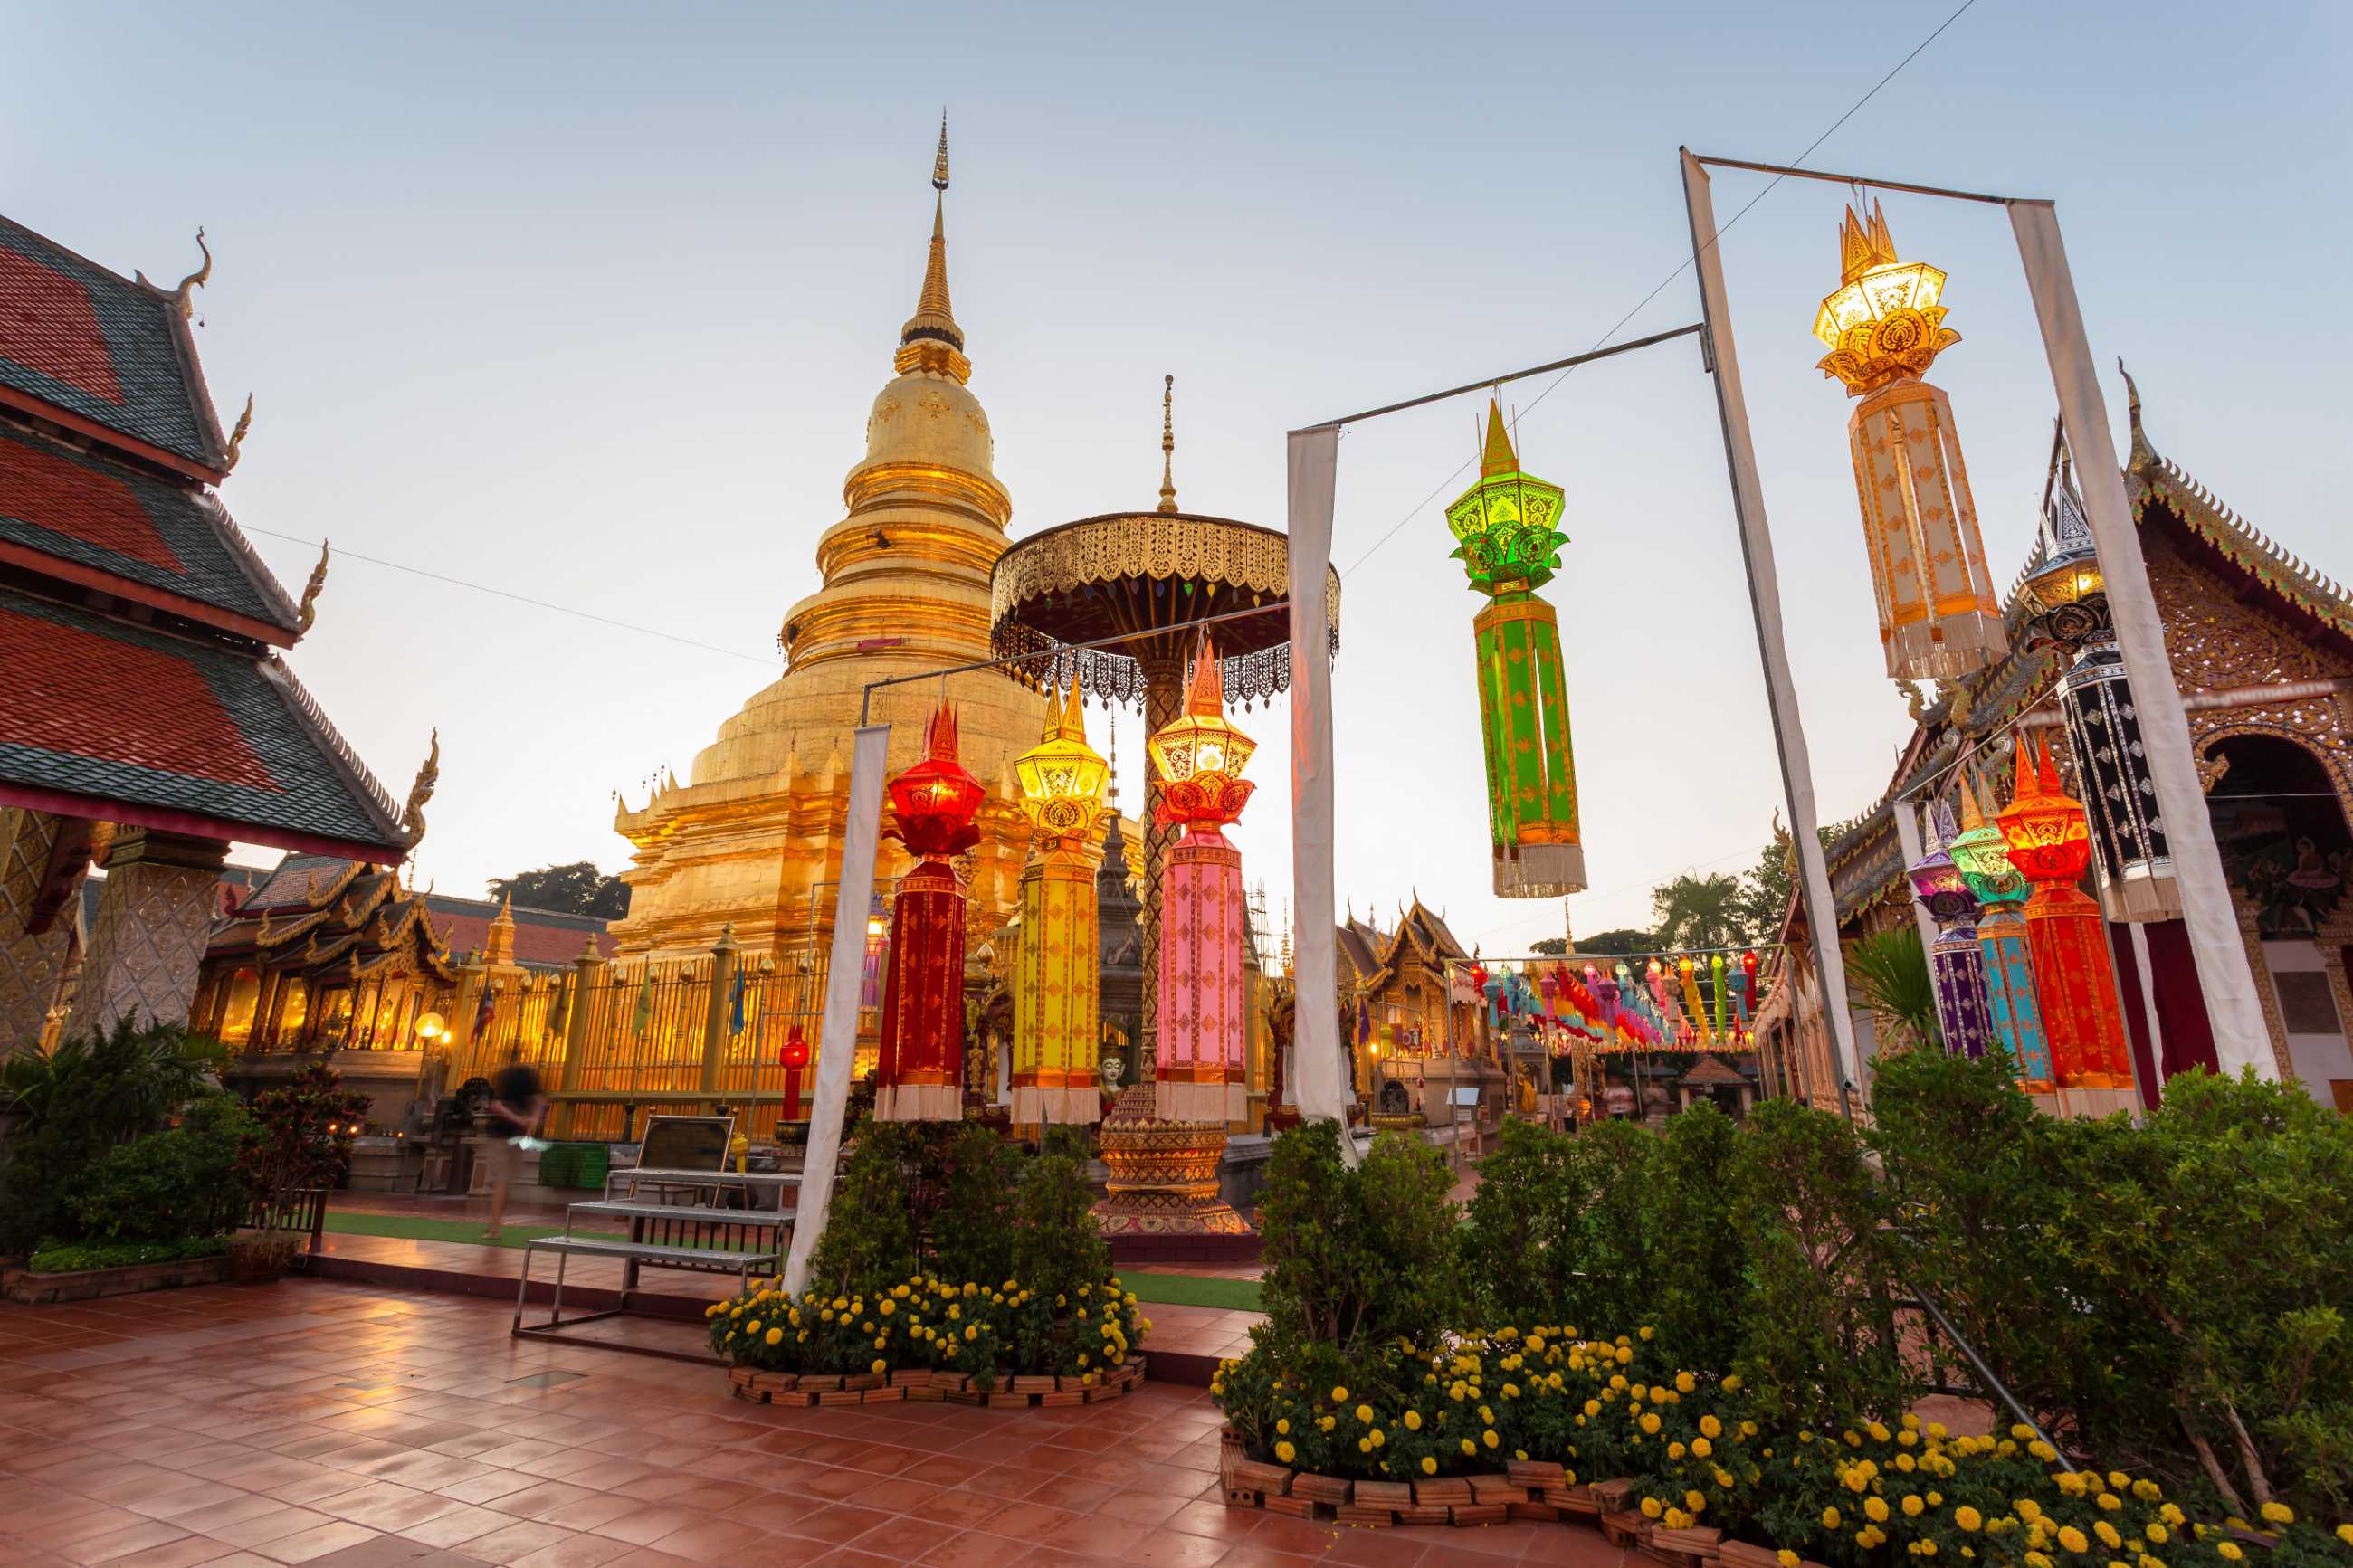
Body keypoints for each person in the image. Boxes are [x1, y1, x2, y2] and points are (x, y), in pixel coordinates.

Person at [484, 1054, 546, 1241]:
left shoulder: (502, 1075)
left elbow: (496, 1105)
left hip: (500, 1134)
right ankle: (496, 1222)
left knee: (500, 1182)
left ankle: (495, 1227)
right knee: (506, 1181)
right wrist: (531, 1122)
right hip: (518, 1136)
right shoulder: (529, 1074)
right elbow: (538, 1100)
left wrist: (519, 1119)